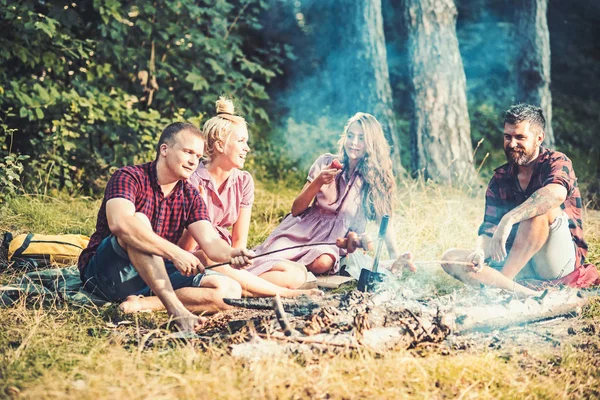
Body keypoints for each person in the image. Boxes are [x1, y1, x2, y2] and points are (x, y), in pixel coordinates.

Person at [78, 122, 254, 333]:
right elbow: (120, 224)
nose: (193, 162)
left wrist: (233, 252)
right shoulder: (129, 176)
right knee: (139, 222)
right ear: (164, 149)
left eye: (197, 157)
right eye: (188, 152)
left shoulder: (190, 195)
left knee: (229, 290)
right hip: (106, 274)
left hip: (150, 276)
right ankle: (176, 310)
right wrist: (175, 253)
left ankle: (145, 303)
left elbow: (211, 242)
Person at [441, 104, 599, 296]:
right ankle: (529, 295)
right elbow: (489, 229)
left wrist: (509, 219)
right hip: (518, 264)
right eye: (508, 137)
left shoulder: (556, 161)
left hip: (553, 264)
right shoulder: (500, 178)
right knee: (450, 258)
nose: (512, 143)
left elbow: (555, 194)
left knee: (541, 208)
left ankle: (501, 288)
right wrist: (480, 251)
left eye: (520, 137)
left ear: (539, 138)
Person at [176, 97, 317, 296]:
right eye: (241, 141)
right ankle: (283, 294)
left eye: (246, 142)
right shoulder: (191, 180)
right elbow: (184, 247)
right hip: (195, 258)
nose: (247, 148)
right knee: (211, 258)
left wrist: (238, 260)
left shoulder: (243, 181)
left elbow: (239, 240)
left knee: (293, 274)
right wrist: (198, 208)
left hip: (227, 255)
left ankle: (244, 287)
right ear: (220, 145)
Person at [246, 112, 415, 278]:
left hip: (336, 240)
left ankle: (286, 272)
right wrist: (318, 182)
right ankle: (278, 272)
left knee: (323, 263)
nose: (353, 143)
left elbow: (384, 219)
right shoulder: (326, 162)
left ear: (372, 143)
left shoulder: (373, 177)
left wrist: (394, 254)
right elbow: (296, 209)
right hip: (302, 229)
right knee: (274, 250)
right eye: (350, 136)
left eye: (361, 138)